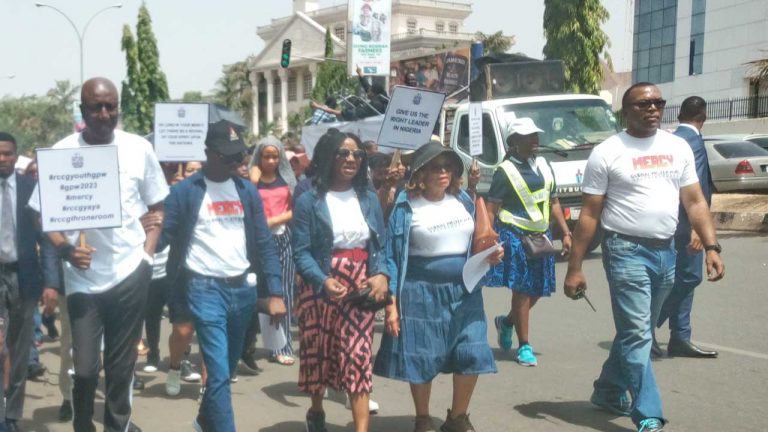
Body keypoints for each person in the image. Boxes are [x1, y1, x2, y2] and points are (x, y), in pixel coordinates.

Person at [563, 83, 725, 432]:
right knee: (639, 334)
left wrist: (712, 245)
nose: (652, 109)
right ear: (626, 111)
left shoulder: (676, 146)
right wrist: (575, 267)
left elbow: (695, 201)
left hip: (667, 251)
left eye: (658, 103)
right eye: (643, 104)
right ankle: (648, 411)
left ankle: (607, 390)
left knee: (636, 332)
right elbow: (590, 215)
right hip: (625, 251)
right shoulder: (607, 152)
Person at [28, 77, 168, 432]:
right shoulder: (61, 153)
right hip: (83, 281)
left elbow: (157, 207)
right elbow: (40, 214)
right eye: (96, 107)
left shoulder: (139, 149)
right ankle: (83, 425)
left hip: (130, 273)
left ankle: (116, 427)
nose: (105, 114)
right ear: (82, 110)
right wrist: (65, 249)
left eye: (111, 106)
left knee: (121, 370)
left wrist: (147, 256)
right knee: (87, 369)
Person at [160, 120, 286, 432]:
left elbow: (263, 242)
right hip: (203, 289)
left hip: (242, 290)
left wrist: (276, 291)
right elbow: (163, 237)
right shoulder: (184, 192)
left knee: (225, 372)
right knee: (217, 374)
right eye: (227, 157)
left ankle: (204, 421)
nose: (235, 163)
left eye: (239, 157)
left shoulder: (246, 191)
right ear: (207, 153)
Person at [374, 142, 503, 432]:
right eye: (436, 167)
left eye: (448, 166)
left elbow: (478, 241)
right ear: (420, 172)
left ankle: (457, 417)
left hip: (465, 291)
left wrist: (490, 254)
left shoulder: (464, 201)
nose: (444, 172)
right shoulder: (405, 206)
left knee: (472, 350)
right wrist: (392, 305)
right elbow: (391, 256)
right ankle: (422, 418)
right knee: (422, 355)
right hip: (420, 293)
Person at [293, 131, 389, 432]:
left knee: (358, 354)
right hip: (321, 284)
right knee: (320, 352)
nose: (351, 159)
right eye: (344, 153)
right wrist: (322, 280)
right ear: (328, 156)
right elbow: (301, 251)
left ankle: (361, 428)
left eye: (358, 155)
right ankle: (317, 410)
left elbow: (381, 246)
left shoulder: (369, 198)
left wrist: (382, 274)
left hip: (360, 285)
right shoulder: (309, 199)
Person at [487, 118, 571, 367]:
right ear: (514, 141)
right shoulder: (505, 171)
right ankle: (524, 345)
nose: (534, 140)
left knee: (537, 289)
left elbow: (554, 201)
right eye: (527, 136)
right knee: (522, 290)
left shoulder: (545, 165)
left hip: (541, 235)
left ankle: (508, 322)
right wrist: (487, 238)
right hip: (514, 234)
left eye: (536, 135)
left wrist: (566, 232)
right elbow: (492, 207)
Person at [0, 132, 58, 432]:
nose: (2, 159)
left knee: (20, 350)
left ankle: (11, 416)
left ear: (16, 155)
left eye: (8, 153)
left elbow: (46, 239)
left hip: (24, 278)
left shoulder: (31, 189)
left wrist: (51, 282)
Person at [655, 96, 718, 358]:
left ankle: (680, 336)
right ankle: (645, 326)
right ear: (703, 118)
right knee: (689, 277)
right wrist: (698, 229)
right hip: (685, 224)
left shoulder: (670, 137)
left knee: (684, 277)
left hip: (670, 221)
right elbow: (696, 188)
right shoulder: (692, 141)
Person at [246, 136, 297, 366]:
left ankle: (281, 346)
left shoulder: (287, 179)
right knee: (256, 292)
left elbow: (296, 210)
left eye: (275, 156)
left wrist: (275, 219)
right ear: (259, 157)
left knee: (282, 291)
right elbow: (246, 204)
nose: (271, 160)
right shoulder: (252, 180)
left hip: (282, 237)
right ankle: (247, 343)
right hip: (256, 241)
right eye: (266, 156)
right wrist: (252, 180)